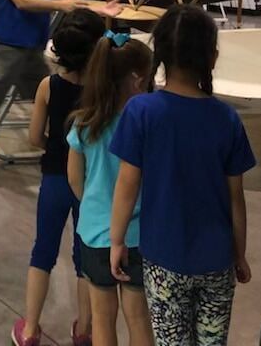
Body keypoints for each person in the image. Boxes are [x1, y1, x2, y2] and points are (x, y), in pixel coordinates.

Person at [110, 5, 256, 346]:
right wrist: (239, 252)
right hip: (217, 260)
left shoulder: (141, 112)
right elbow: (236, 197)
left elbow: (127, 186)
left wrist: (117, 241)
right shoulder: (227, 119)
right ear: (213, 57)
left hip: (164, 259)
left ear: (159, 54)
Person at [12, 9, 106, 346]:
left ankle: (30, 329)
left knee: (43, 250)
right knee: (86, 256)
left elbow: (35, 137)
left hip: (55, 176)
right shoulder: (104, 88)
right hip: (92, 183)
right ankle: (84, 330)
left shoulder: (47, 86)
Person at [67, 33, 154, 346]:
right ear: (137, 80)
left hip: (94, 233)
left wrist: (95, 204)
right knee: (139, 318)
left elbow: (75, 181)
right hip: (140, 234)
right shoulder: (148, 125)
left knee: (102, 320)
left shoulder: (84, 124)